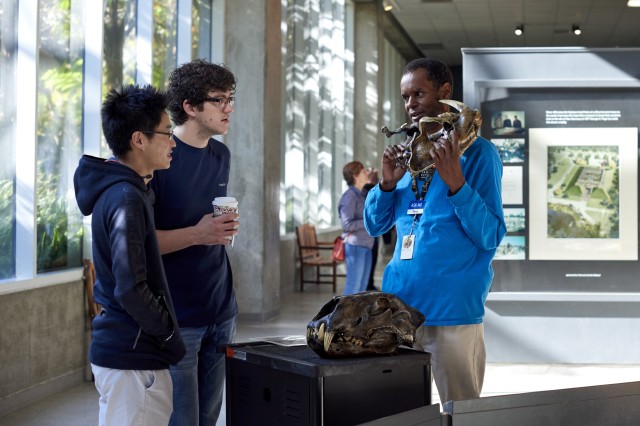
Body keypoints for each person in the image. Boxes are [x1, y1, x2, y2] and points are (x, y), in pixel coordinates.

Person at [363, 58, 506, 404]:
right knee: (400, 410)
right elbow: (375, 225)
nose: (410, 104)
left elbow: (490, 235)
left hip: (453, 310)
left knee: (461, 410)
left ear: (445, 92)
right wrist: (385, 185)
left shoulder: (479, 155)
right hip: (400, 310)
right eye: (405, 96)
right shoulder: (407, 156)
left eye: (418, 93)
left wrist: (457, 183)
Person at [73, 84, 185, 425]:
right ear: (139, 139)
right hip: (131, 353)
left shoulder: (126, 190)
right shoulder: (125, 198)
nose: (173, 142)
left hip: (126, 349)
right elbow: (131, 286)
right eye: (167, 133)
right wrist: (166, 333)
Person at [149, 59, 239, 426]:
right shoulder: (157, 158)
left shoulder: (222, 155)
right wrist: (199, 234)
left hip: (221, 310)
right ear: (189, 106)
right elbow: (139, 244)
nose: (228, 108)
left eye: (231, 98)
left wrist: (219, 230)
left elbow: (211, 225)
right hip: (177, 316)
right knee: (182, 420)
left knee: (209, 417)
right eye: (220, 100)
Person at [338, 161, 375, 295]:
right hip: (355, 246)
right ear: (356, 176)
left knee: (362, 289)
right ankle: (345, 316)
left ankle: (357, 316)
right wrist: (368, 220)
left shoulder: (361, 194)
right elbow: (346, 224)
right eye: (364, 171)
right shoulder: (349, 196)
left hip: (366, 245)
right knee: (353, 288)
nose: (367, 173)